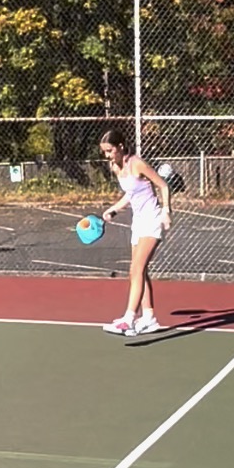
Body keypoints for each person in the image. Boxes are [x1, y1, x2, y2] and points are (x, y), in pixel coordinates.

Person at [99, 130, 172, 335]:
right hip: (138, 223)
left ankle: (129, 318)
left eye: (110, 151)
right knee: (139, 271)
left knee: (136, 269)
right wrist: (113, 209)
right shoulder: (114, 167)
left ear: (121, 147)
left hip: (152, 220)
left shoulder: (137, 163)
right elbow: (130, 195)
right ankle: (149, 318)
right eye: (105, 152)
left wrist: (166, 211)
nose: (107, 156)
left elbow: (163, 185)